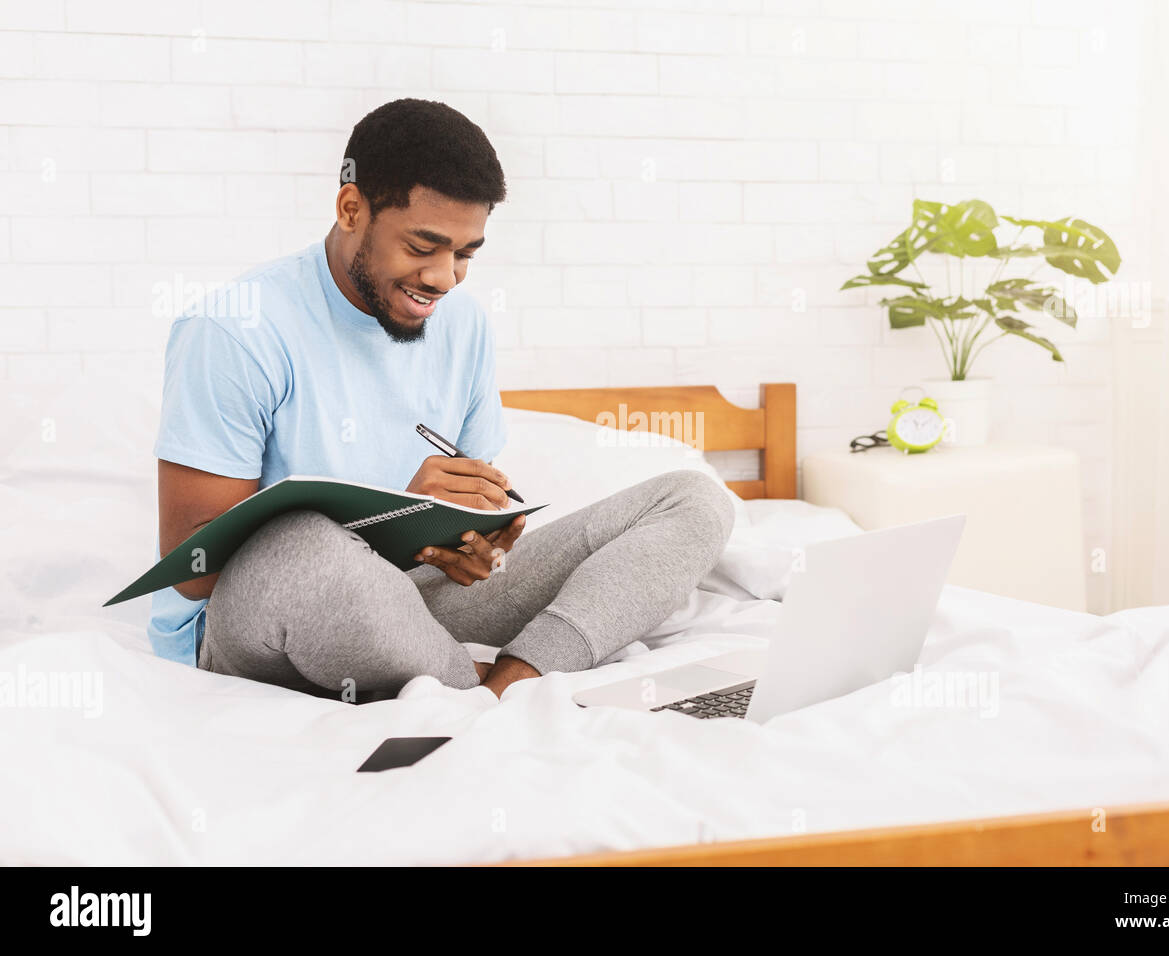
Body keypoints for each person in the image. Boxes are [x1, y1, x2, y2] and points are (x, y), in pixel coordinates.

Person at [148, 98, 734, 701]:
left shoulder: (464, 326)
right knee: (302, 544)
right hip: (265, 619)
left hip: (412, 604)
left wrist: (481, 542)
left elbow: (473, 515)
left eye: (465, 254)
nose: (443, 278)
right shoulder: (236, 329)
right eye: (422, 246)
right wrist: (395, 517)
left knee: (692, 500)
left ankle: (515, 681)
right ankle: (466, 689)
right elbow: (196, 573)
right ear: (352, 209)